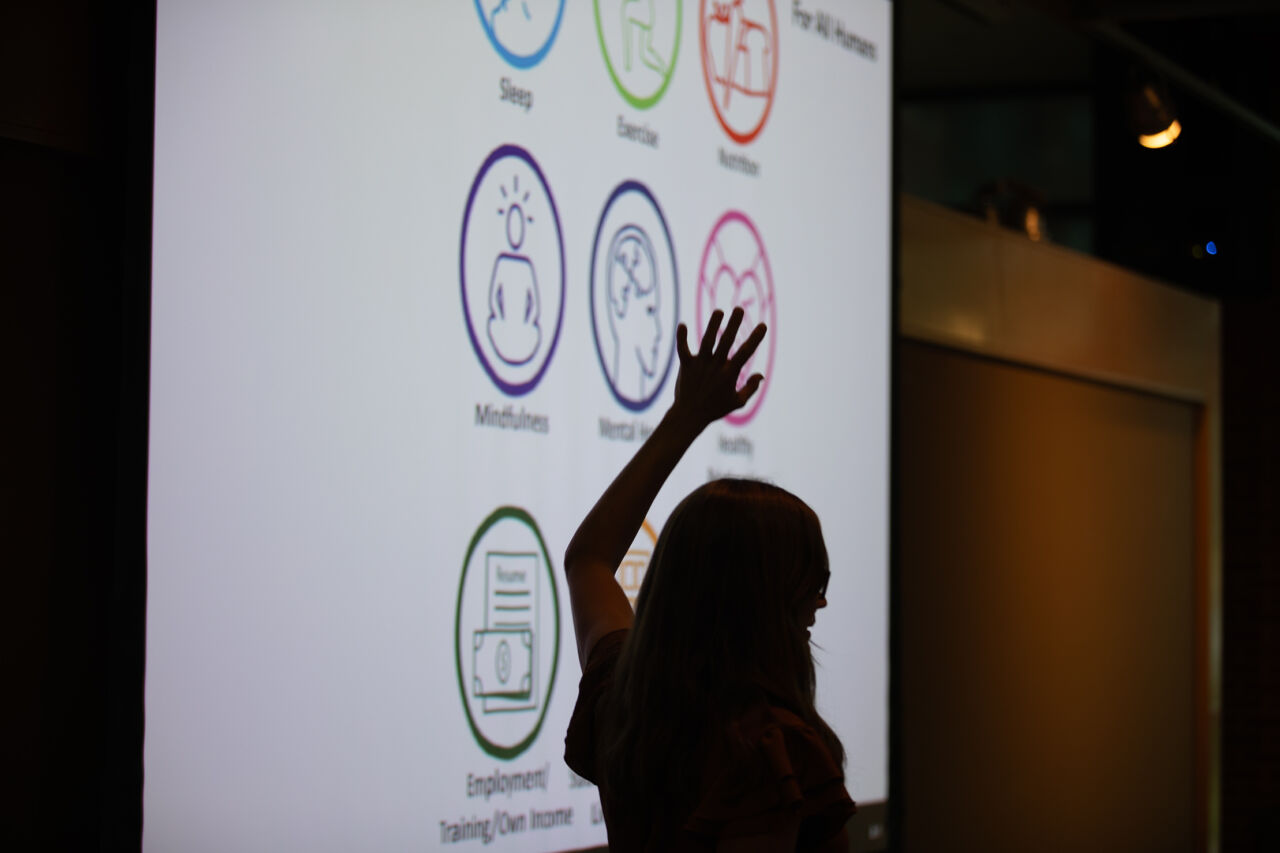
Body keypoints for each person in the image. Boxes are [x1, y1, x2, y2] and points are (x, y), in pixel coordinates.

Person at [564, 307, 855, 851]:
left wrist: (685, 418)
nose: (820, 602)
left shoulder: (623, 709)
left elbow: (589, 559)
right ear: (760, 603)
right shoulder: (776, 754)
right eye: (809, 582)